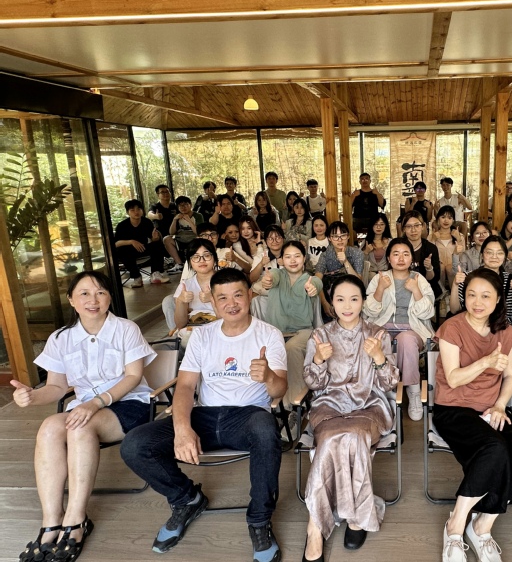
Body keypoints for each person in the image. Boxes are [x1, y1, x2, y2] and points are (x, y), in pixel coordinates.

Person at [121, 268, 288, 562]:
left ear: (250, 295)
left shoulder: (269, 335)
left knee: (265, 429)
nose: (231, 303)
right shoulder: (201, 336)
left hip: (248, 417)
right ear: (212, 301)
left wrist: (268, 377)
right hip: (205, 415)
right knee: (135, 445)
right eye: (222, 297)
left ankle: (259, 520)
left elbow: (279, 390)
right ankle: (186, 499)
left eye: (238, 295)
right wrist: (182, 428)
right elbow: (186, 386)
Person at [13, 271, 156, 562]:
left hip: (129, 404)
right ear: (71, 300)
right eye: (85, 293)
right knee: (49, 428)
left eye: (101, 292)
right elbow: (56, 387)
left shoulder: (126, 329)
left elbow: (133, 377)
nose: (94, 299)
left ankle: (76, 519)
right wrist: (31, 396)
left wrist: (95, 403)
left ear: (110, 297)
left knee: (80, 427)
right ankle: (51, 521)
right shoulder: (61, 338)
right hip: (83, 408)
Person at [437, 268, 512, 562]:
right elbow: (453, 378)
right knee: (494, 448)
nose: (477, 302)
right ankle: (455, 525)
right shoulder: (452, 328)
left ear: (497, 300)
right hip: (453, 408)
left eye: (485, 296)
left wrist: (500, 405)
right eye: (471, 295)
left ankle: (482, 525)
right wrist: (485, 362)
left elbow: (510, 376)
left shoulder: (505, 332)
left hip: (490, 408)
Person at [302, 276, 399, 561]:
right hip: (329, 406)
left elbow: (390, 383)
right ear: (331, 303)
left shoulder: (378, 334)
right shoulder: (320, 335)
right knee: (334, 436)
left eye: (354, 299)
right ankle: (318, 526)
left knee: (353, 434)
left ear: (363, 302)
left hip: (369, 406)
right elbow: (312, 384)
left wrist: (379, 357)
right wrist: (318, 360)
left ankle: (346, 518)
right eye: (340, 299)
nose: (347, 306)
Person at [364, 238, 435, 422]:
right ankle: (385, 391)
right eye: (396, 254)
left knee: (406, 340)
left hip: (412, 330)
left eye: (406, 254)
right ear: (389, 258)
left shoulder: (419, 279)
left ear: (412, 258)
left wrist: (416, 291)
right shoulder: (379, 278)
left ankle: (413, 391)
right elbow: (368, 311)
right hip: (383, 327)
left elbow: (429, 312)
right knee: (380, 338)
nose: (401, 258)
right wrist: (380, 289)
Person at [251, 240, 322, 409]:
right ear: (281, 260)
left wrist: (312, 288)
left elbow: (316, 285)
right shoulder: (277, 274)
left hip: (303, 332)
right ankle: (264, 404)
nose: (293, 260)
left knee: (291, 349)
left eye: (297, 256)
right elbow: (271, 278)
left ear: (304, 258)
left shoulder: (309, 279)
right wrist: (267, 281)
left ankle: (294, 406)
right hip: (277, 333)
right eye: (288, 257)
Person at [451, 236, 512, 368]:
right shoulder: (469, 277)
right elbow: (454, 309)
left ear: (505, 256)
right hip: (472, 325)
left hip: (504, 326)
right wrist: (455, 284)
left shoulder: (511, 280)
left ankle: (509, 378)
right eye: (489, 252)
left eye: (499, 253)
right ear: (482, 255)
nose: (494, 257)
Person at [115, 199, 169, 287]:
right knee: (121, 251)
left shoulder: (146, 222)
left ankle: (155, 274)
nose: (136, 212)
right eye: (132, 210)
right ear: (128, 212)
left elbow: (153, 239)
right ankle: (137, 277)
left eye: (138, 209)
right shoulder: (122, 225)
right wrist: (132, 242)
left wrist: (155, 238)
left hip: (143, 248)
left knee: (157, 245)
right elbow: (116, 244)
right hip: (128, 251)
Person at [315, 221, 364, 319]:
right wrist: (324, 303)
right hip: (330, 296)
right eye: (335, 236)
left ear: (348, 236)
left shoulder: (356, 253)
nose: (340, 239)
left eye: (343, 235)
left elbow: (358, 281)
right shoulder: (325, 255)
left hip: (351, 293)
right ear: (329, 238)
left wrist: (345, 262)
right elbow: (317, 281)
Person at [172, 239, 218, 343]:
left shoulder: (226, 282)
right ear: (190, 261)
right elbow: (180, 325)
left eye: (206, 255)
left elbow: (231, 319)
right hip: (192, 333)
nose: (202, 260)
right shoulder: (185, 285)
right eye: (196, 257)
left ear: (214, 258)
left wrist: (212, 299)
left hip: (217, 330)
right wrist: (180, 301)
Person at [400, 210, 441, 299]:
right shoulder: (398, 247)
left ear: (423, 226)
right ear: (404, 229)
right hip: (402, 287)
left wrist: (429, 268)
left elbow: (433, 280)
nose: (413, 230)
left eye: (417, 225)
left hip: (425, 289)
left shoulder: (431, 248)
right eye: (409, 226)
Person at [428, 205, 465, 292]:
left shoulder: (459, 236)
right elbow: (429, 255)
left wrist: (458, 239)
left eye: (449, 218)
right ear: (438, 219)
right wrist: (433, 240)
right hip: (437, 268)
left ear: (453, 220)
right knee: (440, 267)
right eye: (443, 217)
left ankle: (454, 293)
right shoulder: (431, 236)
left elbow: (462, 256)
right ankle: (441, 293)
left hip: (454, 268)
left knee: (449, 267)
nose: (446, 220)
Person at [165, 195, 203, 274]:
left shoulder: (198, 215)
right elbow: (171, 232)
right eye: (180, 206)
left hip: (194, 238)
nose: (183, 207)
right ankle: (179, 264)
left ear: (190, 205)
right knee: (166, 239)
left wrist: (189, 220)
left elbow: (199, 232)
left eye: (186, 204)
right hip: (180, 238)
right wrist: (174, 220)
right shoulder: (178, 217)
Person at [362, 213, 391, 284]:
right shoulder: (366, 242)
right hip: (370, 276)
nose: (379, 227)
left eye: (382, 224)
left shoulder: (391, 242)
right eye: (376, 224)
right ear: (372, 226)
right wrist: (366, 252)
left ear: (385, 226)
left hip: (387, 274)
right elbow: (360, 262)